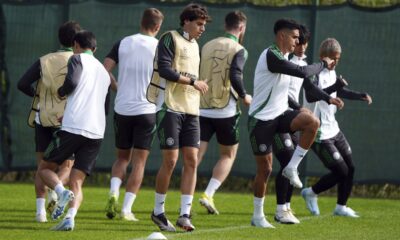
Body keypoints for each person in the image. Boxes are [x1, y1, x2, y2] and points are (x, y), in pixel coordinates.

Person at [247, 18, 337, 228]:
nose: (297, 41)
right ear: (282, 36)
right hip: (260, 121)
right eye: (295, 37)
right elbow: (302, 72)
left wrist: (300, 107)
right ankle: (258, 215)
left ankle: (292, 169)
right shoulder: (271, 55)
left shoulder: (285, 56)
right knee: (265, 169)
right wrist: (323, 64)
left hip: (279, 117)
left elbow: (293, 84)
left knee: (311, 122)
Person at [146, 3, 210, 232]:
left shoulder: (197, 45)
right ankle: (158, 212)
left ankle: (185, 214)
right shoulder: (169, 38)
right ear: (186, 21)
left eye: (204, 25)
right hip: (169, 108)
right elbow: (164, 70)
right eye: (199, 24)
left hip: (191, 111)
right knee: (171, 161)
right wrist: (194, 82)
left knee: (192, 160)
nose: (202, 28)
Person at [38, 31, 110, 231]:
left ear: (76, 44)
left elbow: (72, 83)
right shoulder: (104, 72)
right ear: (94, 49)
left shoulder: (76, 58)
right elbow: (104, 107)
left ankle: (60, 191)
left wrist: (61, 93)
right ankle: (70, 218)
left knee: (44, 168)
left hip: (73, 127)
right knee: (77, 181)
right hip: (96, 131)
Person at [272, 24, 344, 224]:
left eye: (305, 44)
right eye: (299, 43)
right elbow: (284, 94)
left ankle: (285, 207)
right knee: (285, 162)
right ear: (291, 42)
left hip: (295, 122)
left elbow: (311, 90)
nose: (302, 47)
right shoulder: (286, 62)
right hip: (279, 118)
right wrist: (297, 107)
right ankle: (279, 208)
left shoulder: (303, 65)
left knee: (290, 166)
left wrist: (329, 98)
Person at [103, 8, 164, 222]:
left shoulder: (124, 42)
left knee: (121, 158)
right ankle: (126, 210)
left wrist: (117, 86)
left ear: (141, 22)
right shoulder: (159, 46)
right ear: (157, 27)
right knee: (139, 162)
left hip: (122, 109)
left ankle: (113, 193)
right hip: (147, 110)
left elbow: (105, 69)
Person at [17, 21, 81, 223]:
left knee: (42, 167)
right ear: (77, 40)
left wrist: (40, 97)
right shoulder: (80, 60)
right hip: (67, 120)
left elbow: (23, 84)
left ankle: (40, 213)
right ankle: (58, 192)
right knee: (67, 166)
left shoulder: (44, 60)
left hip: (43, 119)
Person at [301, 38, 372, 218]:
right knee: (341, 171)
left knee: (351, 168)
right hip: (318, 133)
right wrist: (336, 86)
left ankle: (341, 206)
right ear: (323, 56)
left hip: (334, 129)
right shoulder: (313, 72)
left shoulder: (332, 71)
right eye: (333, 58)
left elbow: (336, 92)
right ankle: (310, 192)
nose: (335, 62)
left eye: (338, 58)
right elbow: (313, 96)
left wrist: (359, 95)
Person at [197, 11, 251, 215]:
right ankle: (208, 194)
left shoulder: (207, 44)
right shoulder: (239, 49)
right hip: (225, 111)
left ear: (225, 25)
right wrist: (244, 95)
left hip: (201, 109)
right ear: (241, 28)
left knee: (195, 156)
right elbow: (235, 74)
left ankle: (184, 202)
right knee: (228, 155)